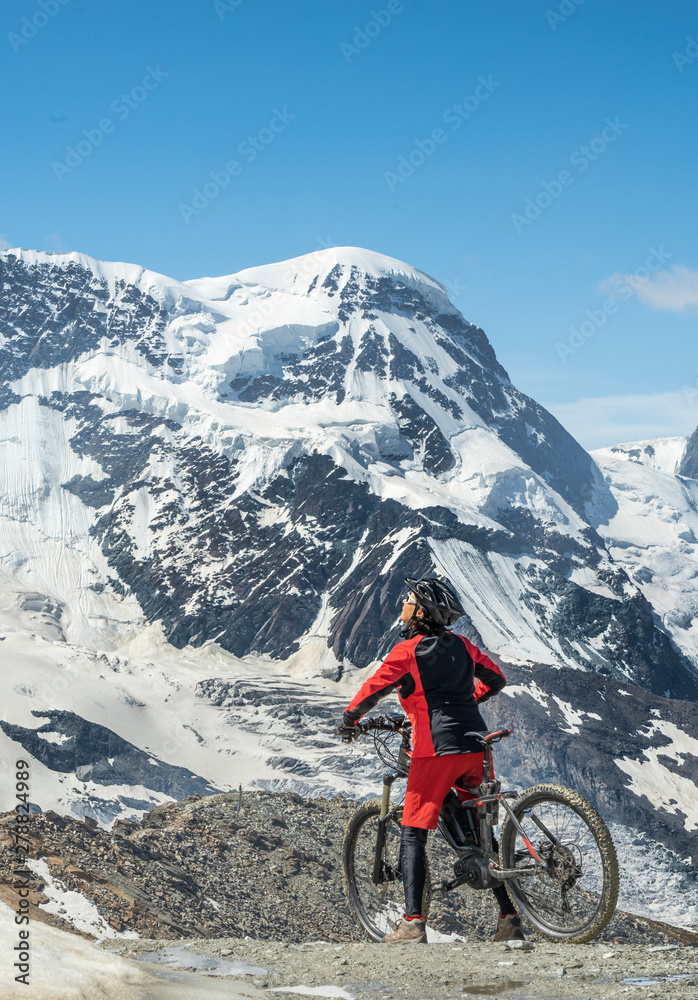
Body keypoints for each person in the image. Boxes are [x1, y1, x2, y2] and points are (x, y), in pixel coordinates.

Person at [338, 575, 524, 944]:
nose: (402, 607)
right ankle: (509, 918)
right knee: (480, 839)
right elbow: (496, 678)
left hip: (435, 749)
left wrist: (349, 720)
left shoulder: (408, 651)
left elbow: (372, 691)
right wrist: (469, 701)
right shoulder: (464, 646)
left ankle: (412, 923)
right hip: (475, 746)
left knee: (413, 833)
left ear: (421, 611)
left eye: (408, 601)